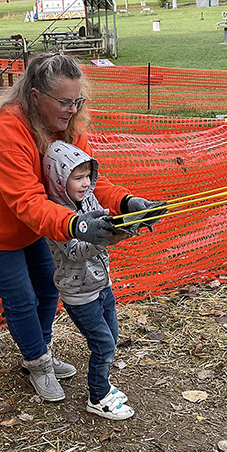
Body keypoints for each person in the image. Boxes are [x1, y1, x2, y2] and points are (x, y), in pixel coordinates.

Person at [0, 53, 163, 403]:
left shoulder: (68, 126)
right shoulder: (1, 129)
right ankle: (38, 363)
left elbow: (85, 180)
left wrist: (126, 202)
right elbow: (27, 202)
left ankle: (38, 350)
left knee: (48, 290)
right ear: (34, 96)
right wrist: (76, 224)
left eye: (78, 101)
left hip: (35, 224)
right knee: (21, 299)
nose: (72, 109)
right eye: (63, 101)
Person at [42, 141, 152, 419]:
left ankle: (103, 384)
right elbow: (76, 252)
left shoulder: (89, 199)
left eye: (88, 175)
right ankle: (98, 396)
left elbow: (108, 224)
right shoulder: (56, 215)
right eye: (77, 177)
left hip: (102, 284)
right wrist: (108, 240)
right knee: (102, 345)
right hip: (79, 294)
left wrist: (130, 221)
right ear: (58, 179)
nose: (85, 182)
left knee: (112, 338)